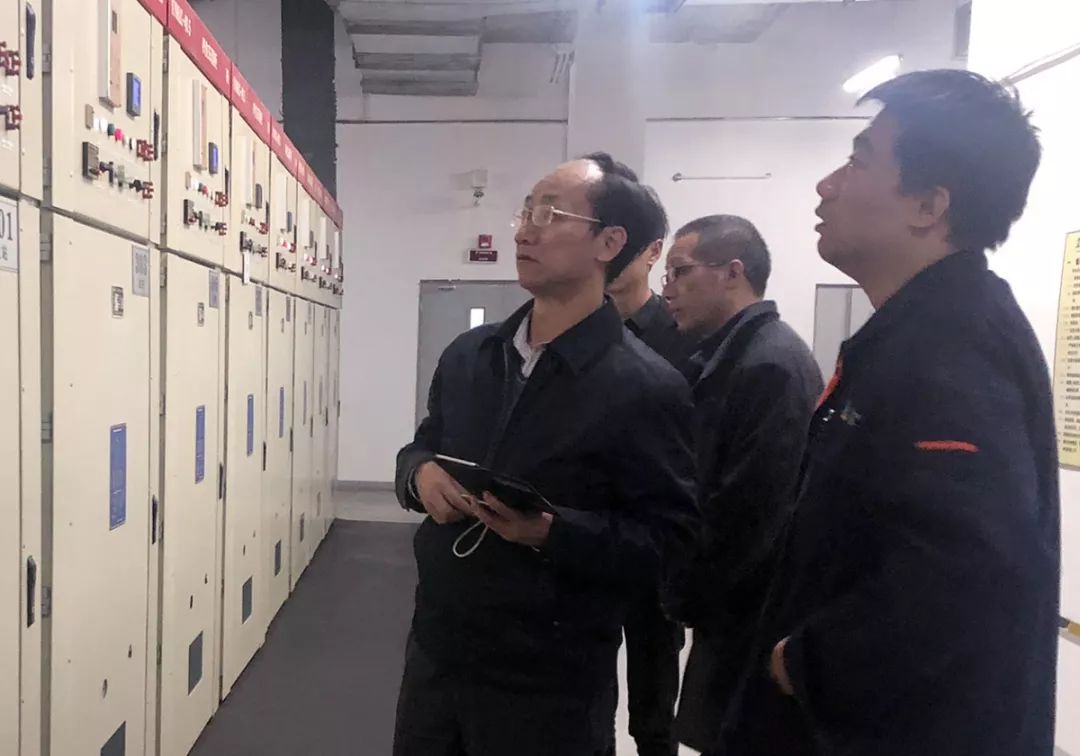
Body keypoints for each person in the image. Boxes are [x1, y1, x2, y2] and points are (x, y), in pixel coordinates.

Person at [719, 69, 1059, 756]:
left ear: (928, 205)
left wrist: (806, 663)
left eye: (859, 159)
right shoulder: (926, 330)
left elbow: (966, 575)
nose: (827, 185)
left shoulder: (952, 345)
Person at [392, 152, 699, 756]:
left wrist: (551, 532)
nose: (525, 231)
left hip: (548, 683)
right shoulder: (472, 356)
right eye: (526, 212)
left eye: (551, 214)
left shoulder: (645, 387)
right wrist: (419, 474)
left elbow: (670, 543)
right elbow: (423, 444)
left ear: (609, 243)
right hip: (438, 656)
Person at [658, 215, 822, 753]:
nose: (668, 289)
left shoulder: (768, 365)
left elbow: (750, 516)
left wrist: (684, 591)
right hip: (731, 616)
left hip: (751, 621)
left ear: (733, 272)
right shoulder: (733, 357)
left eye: (680, 272)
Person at [604, 180, 694, 756]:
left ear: (651, 252)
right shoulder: (580, 335)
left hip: (651, 538)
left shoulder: (681, 339)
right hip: (582, 529)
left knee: (654, 692)